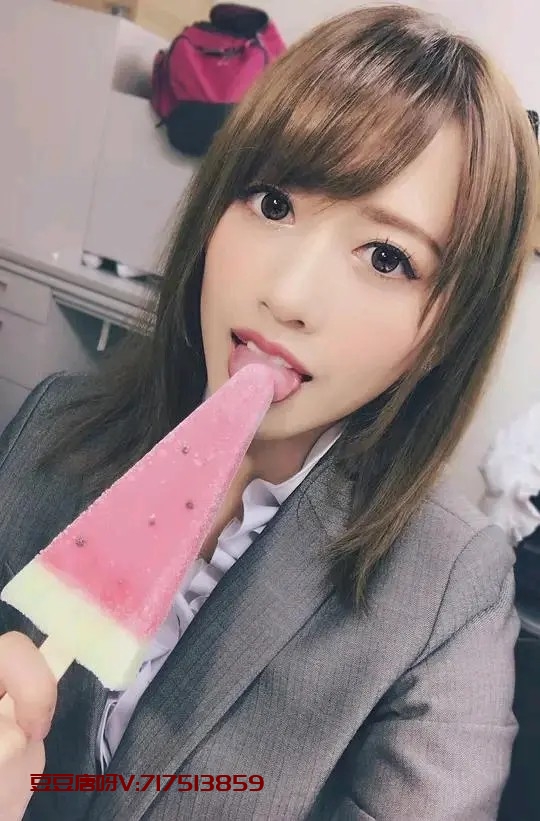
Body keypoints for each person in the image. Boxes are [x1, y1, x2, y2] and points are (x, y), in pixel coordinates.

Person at [0, 4, 537, 820]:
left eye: (386, 257)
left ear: (446, 332)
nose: (286, 294)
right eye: (274, 203)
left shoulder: (446, 590)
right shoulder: (50, 425)